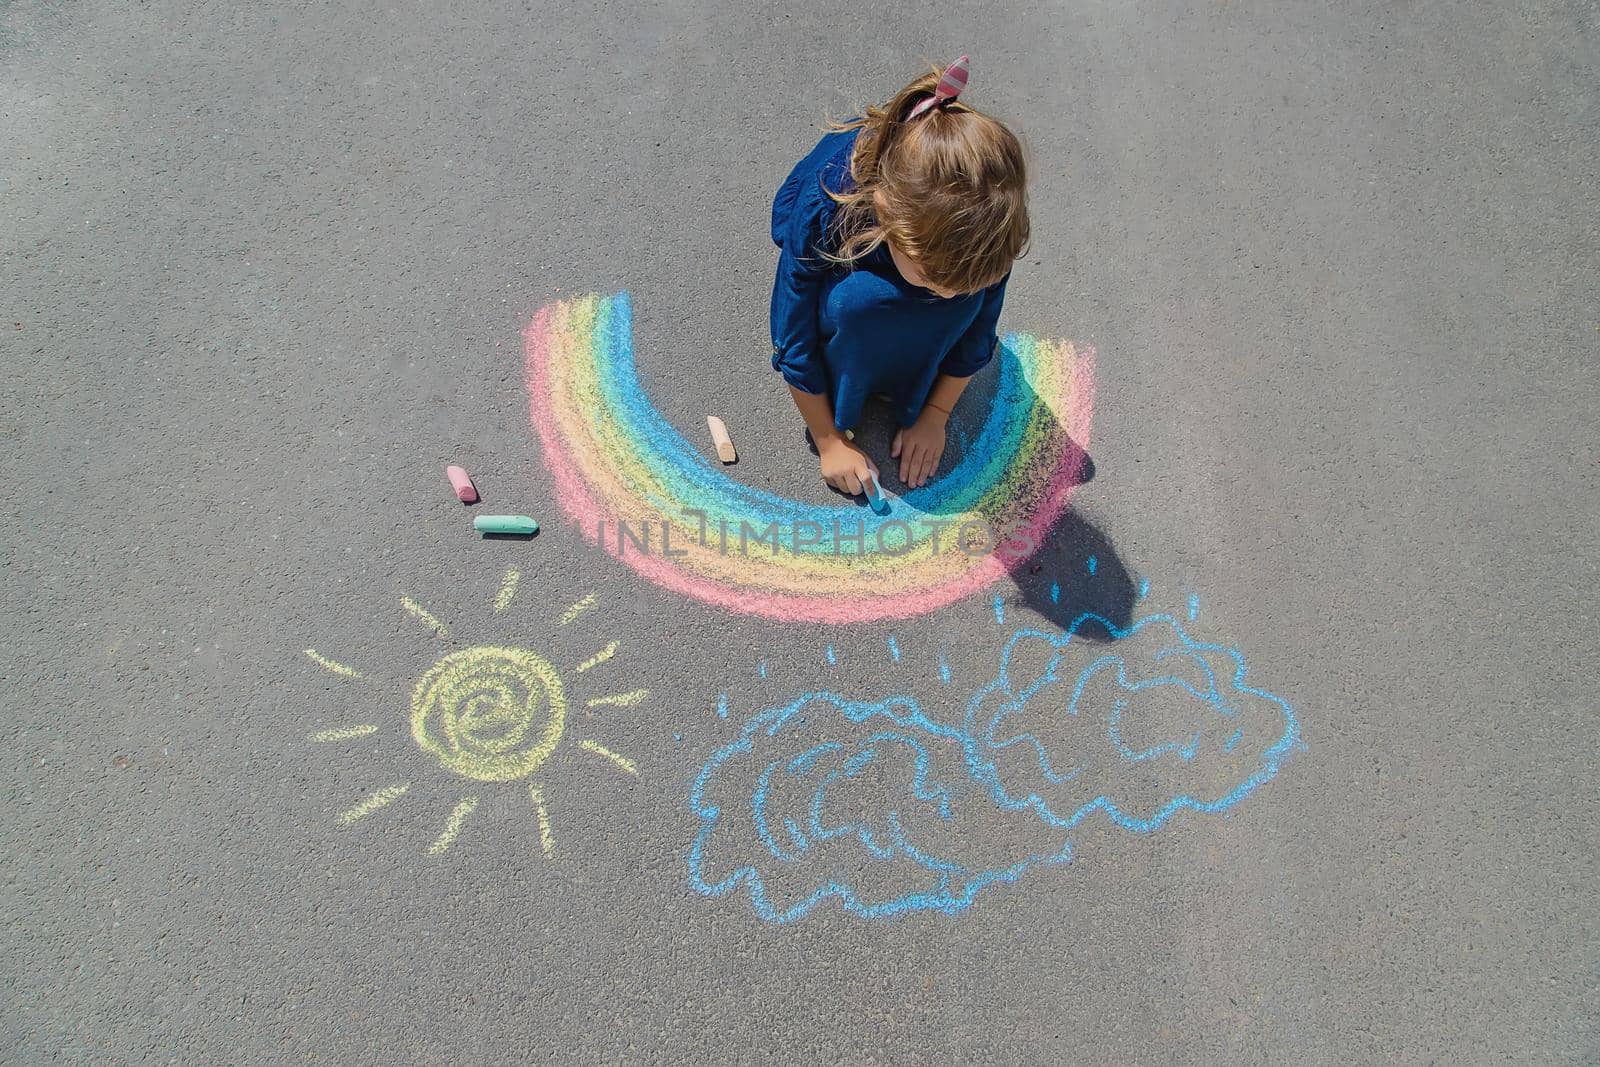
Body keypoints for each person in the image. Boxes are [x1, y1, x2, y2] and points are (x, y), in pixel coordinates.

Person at [769, 56, 1030, 495]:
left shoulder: (985, 232)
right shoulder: (827, 207)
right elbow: (791, 332)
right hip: (855, 242)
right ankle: (857, 369)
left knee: (948, 300)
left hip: (906, 232)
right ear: (890, 216)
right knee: (861, 304)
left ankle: (899, 368)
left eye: (958, 287)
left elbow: (980, 331)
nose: (945, 294)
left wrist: (936, 415)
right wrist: (828, 439)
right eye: (931, 280)